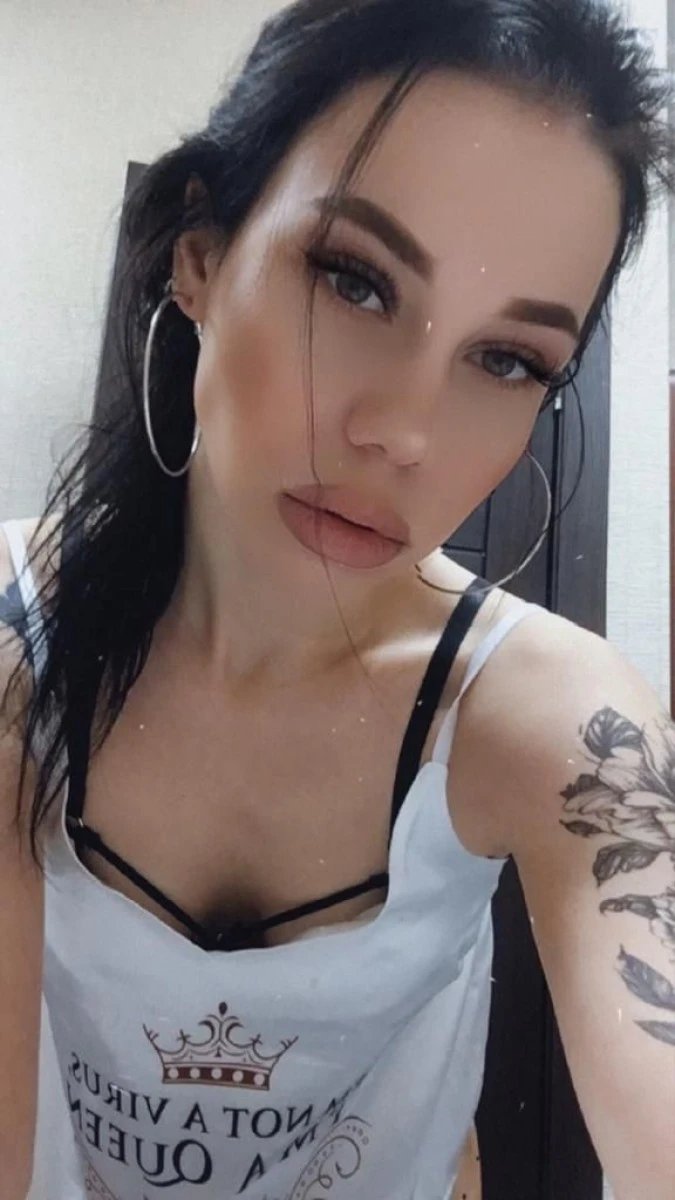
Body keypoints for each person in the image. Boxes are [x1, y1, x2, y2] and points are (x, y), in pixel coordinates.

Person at [1, 1, 674, 1197]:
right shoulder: (19, 646)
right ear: (201, 255)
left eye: (508, 359)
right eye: (356, 282)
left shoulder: (553, 722)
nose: (405, 432)